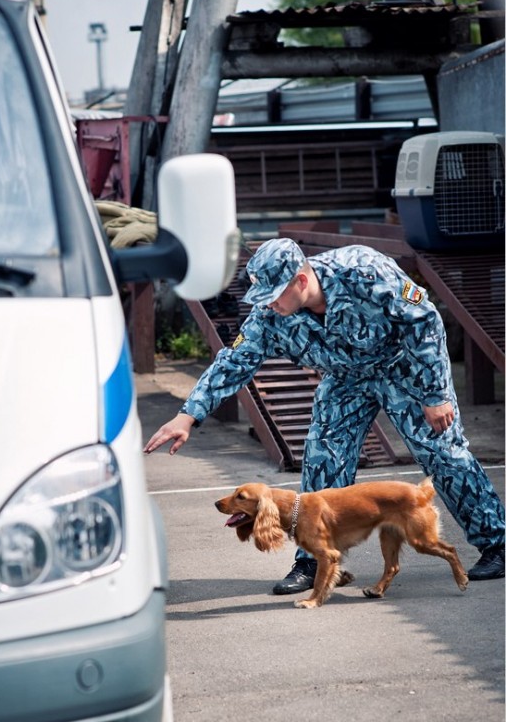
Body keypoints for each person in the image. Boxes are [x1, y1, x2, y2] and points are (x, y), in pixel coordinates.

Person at [143, 238, 505, 593]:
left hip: (403, 368)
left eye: (274, 294)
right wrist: (187, 416)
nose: (268, 304)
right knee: (322, 461)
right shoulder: (270, 314)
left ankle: (497, 545)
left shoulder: (364, 270)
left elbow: (424, 322)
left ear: (301, 281)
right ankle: (313, 560)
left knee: (444, 453)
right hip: (345, 380)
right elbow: (234, 361)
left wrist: (436, 392)